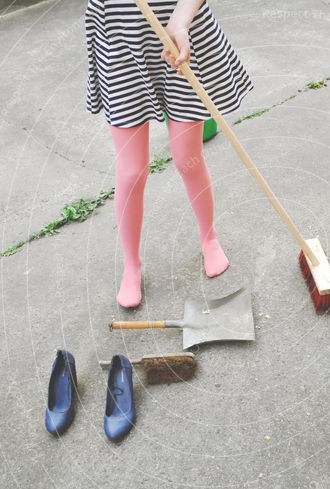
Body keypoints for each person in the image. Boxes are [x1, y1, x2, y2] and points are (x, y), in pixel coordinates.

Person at [84, 0, 253, 307]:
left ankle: (209, 238)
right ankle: (131, 265)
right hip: (120, 38)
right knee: (132, 171)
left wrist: (181, 20)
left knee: (187, 159)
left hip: (181, 33)